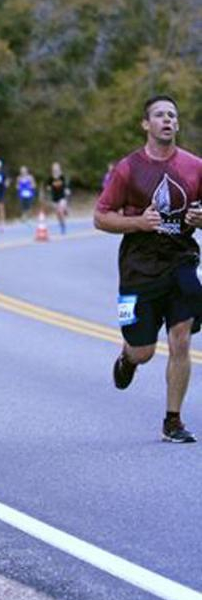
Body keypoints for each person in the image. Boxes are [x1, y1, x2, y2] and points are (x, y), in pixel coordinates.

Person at [94, 95, 202, 443]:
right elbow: (101, 217)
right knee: (144, 350)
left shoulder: (195, 167)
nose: (167, 120)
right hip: (139, 268)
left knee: (181, 339)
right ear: (146, 124)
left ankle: (173, 420)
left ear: (177, 124)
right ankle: (128, 357)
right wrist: (140, 222)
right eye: (159, 115)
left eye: (172, 115)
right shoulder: (127, 169)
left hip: (181, 261)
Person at [46, 162, 70, 234]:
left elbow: (66, 185)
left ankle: (65, 210)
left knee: (60, 211)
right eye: (54, 168)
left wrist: (67, 189)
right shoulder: (50, 178)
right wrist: (49, 188)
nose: (55, 169)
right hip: (54, 198)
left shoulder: (62, 177)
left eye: (57, 168)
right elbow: (48, 186)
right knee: (58, 214)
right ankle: (62, 224)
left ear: (59, 169)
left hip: (62, 196)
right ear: (52, 169)